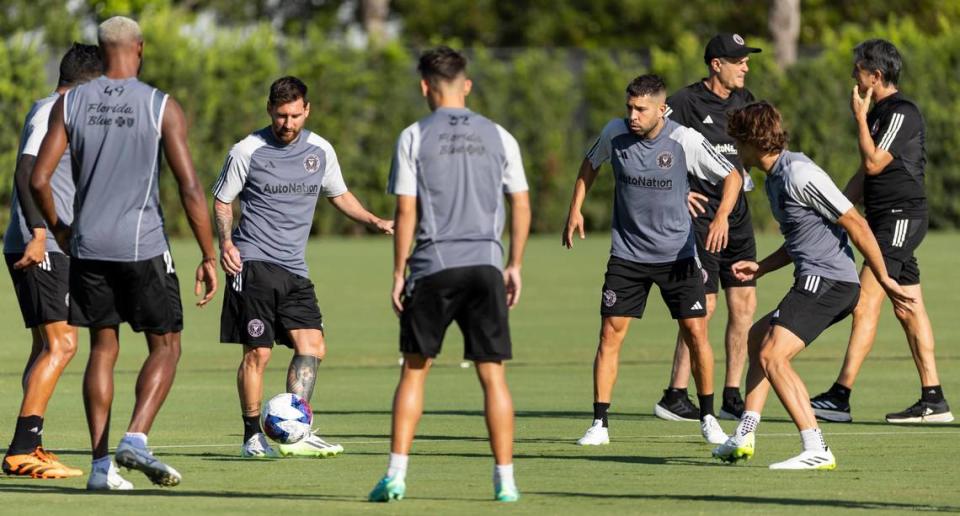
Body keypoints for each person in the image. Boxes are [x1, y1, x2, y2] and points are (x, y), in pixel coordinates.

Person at [30, 16, 218, 490]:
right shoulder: (160, 105)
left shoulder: (69, 103)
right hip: (143, 245)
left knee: (102, 348)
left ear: (102, 47)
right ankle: (135, 437)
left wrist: (61, 230)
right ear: (138, 48)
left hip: (88, 246)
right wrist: (209, 254)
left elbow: (38, 179)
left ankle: (99, 468)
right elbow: (190, 187)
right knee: (167, 344)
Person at [368, 46, 531, 503]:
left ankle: (396, 476)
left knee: (415, 373)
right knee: (493, 376)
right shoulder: (501, 135)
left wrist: (398, 272)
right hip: (485, 266)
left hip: (434, 266)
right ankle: (506, 481)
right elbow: (520, 202)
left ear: (425, 87)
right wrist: (513, 263)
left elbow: (405, 210)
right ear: (468, 85)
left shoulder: (413, 136)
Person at [712, 101, 914, 469]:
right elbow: (800, 240)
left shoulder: (799, 173)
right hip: (815, 278)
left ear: (754, 142)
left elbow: (855, 222)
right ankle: (745, 433)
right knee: (758, 339)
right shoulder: (775, 178)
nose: (736, 150)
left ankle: (816, 446)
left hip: (831, 282)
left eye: (738, 142)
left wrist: (883, 277)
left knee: (773, 355)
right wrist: (761, 268)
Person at [213, 76, 393, 459]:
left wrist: (373, 220)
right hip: (254, 263)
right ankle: (251, 437)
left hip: (295, 267)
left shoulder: (320, 150)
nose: (288, 123)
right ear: (269, 111)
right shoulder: (247, 150)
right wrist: (226, 243)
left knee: (313, 346)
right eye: (281, 116)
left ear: (307, 110)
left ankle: (295, 428)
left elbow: (338, 194)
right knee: (258, 354)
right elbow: (222, 201)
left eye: (295, 115)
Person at [565, 74, 743, 448]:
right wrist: (575, 209)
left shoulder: (684, 140)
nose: (632, 115)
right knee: (610, 336)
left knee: (696, 334)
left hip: (677, 256)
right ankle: (599, 423)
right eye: (629, 107)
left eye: (641, 109)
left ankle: (709, 418)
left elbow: (732, 177)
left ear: (662, 109)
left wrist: (722, 216)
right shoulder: (615, 132)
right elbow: (589, 164)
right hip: (627, 256)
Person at [809, 39, 952, 424]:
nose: (853, 77)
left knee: (865, 299)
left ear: (876, 76)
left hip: (901, 218)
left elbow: (873, 163)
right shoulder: (880, 114)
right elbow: (862, 176)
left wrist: (859, 116)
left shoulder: (901, 112)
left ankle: (840, 396)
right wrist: (832, 208)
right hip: (884, 219)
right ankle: (933, 399)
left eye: (859, 70)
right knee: (910, 308)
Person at [2, 43, 101, 480]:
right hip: (40, 245)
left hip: (53, 245)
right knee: (63, 345)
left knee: (46, 346)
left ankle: (31, 444)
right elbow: (25, 174)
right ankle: (22, 450)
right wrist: (40, 234)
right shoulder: (52, 112)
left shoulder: (65, 112)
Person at [656, 34, 761, 421]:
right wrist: (676, 193)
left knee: (744, 303)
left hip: (738, 213)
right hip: (701, 217)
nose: (746, 66)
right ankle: (675, 393)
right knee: (705, 304)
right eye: (739, 61)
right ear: (716, 64)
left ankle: (732, 393)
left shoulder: (746, 103)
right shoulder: (684, 102)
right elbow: (653, 142)